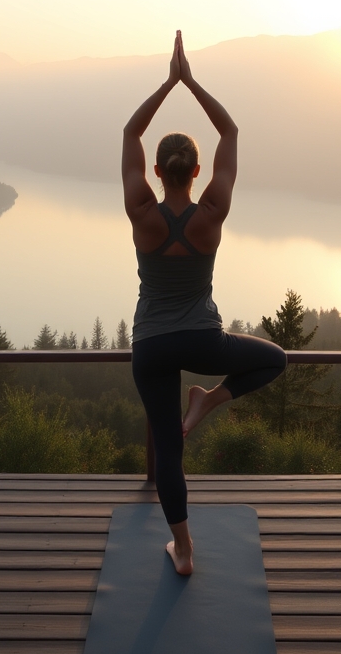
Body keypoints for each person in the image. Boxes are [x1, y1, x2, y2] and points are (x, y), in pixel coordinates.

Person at [123, 31, 286, 576]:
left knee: (169, 449)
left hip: (150, 347)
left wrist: (167, 82)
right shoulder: (210, 213)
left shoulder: (141, 211)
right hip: (202, 339)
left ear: (155, 172)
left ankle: (184, 550)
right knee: (276, 359)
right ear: (196, 172)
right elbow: (231, 131)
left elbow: (130, 131)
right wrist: (191, 81)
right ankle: (211, 400)